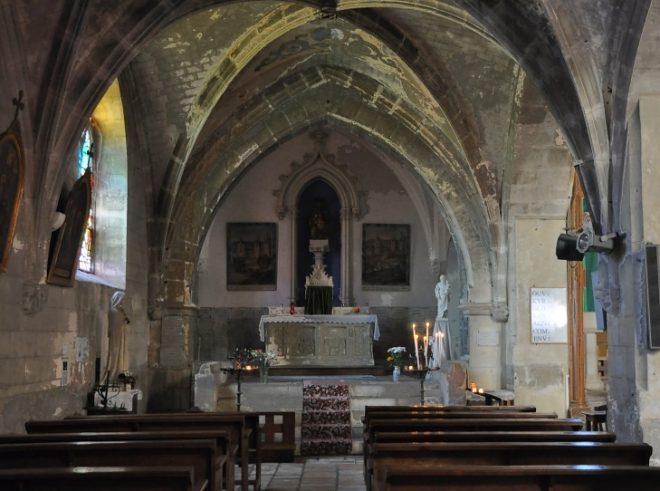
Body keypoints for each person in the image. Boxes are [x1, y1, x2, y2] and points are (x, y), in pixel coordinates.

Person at [105, 291, 130, 382]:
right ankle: (112, 376)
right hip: (115, 338)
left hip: (120, 337)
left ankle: (119, 374)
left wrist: (124, 316)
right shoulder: (113, 311)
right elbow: (114, 325)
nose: (122, 303)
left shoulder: (120, 312)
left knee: (120, 356)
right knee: (114, 356)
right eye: (121, 300)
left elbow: (126, 322)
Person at [432, 274, 451, 366]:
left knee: (445, 307)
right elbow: (436, 291)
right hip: (440, 299)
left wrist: (446, 291)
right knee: (440, 308)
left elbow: (449, 289)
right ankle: (441, 314)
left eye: (443, 278)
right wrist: (438, 295)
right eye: (441, 278)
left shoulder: (446, 283)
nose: (442, 279)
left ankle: (443, 314)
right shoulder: (439, 284)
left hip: (445, 297)